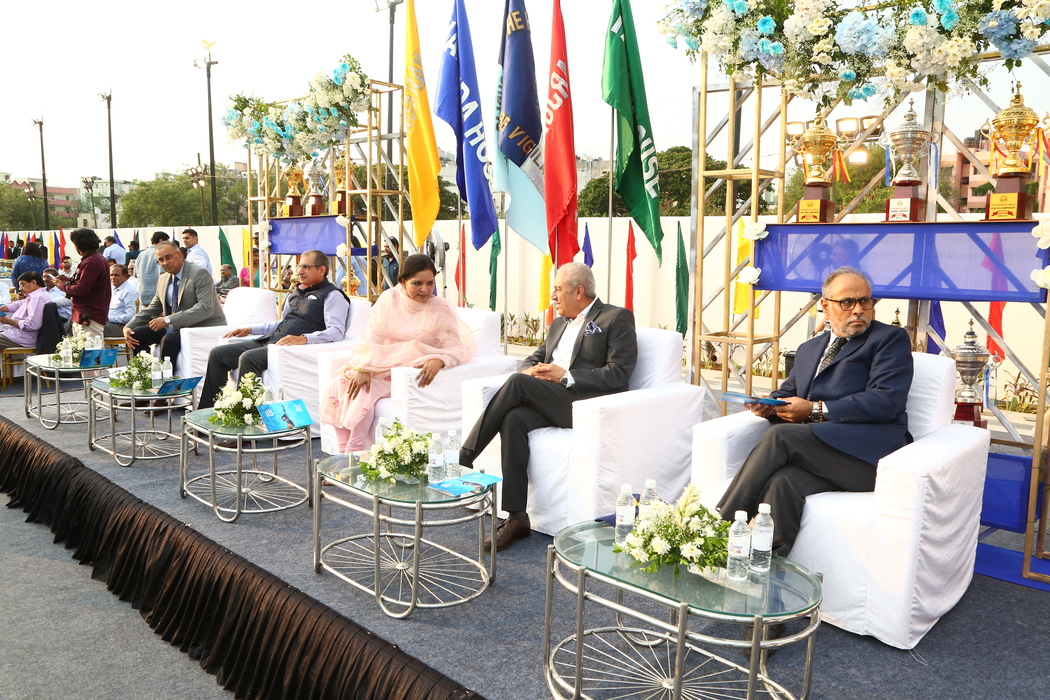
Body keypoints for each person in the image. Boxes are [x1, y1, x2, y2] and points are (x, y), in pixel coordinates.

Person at [716, 266, 913, 557]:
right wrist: (769, 406)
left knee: (781, 437)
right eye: (847, 302)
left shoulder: (888, 339)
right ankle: (764, 564)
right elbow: (788, 392)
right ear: (826, 305)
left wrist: (816, 410)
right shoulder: (810, 348)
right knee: (783, 483)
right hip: (822, 454)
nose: (858, 309)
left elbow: (886, 400)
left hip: (868, 458)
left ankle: (715, 528)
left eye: (865, 301)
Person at [459, 262, 638, 551]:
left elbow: (619, 373)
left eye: (557, 289)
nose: (552, 296)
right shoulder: (558, 324)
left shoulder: (615, 317)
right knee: (514, 418)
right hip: (549, 398)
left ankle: (465, 457)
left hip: (585, 405)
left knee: (517, 384)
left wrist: (565, 376)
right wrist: (532, 371)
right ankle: (517, 518)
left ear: (578, 291)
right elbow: (534, 358)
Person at [320, 254, 477, 452]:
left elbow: (455, 346)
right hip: (382, 361)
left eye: (429, 283)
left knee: (365, 390)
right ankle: (342, 452)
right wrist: (364, 367)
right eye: (417, 283)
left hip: (410, 367)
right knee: (338, 383)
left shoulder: (440, 308)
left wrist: (440, 359)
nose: (425, 289)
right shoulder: (390, 299)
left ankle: (354, 450)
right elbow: (373, 335)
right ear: (403, 281)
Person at [197, 250, 351, 410]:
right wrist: (250, 329)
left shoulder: (332, 295)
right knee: (218, 354)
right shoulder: (296, 293)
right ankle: (207, 411)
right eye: (299, 266)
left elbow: (336, 331)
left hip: (289, 348)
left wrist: (304, 338)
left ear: (321, 270)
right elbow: (281, 323)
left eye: (306, 267)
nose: (299, 271)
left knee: (248, 358)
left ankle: (245, 416)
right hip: (271, 339)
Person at [123, 241, 226, 366]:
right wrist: (128, 327)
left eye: (168, 257)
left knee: (169, 339)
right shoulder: (163, 278)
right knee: (137, 334)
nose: (165, 263)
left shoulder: (199, 273)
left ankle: (166, 377)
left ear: (180, 254)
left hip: (201, 326)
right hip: (176, 326)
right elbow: (153, 308)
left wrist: (167, 320)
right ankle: (144, 372)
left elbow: (205, 308)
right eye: (160, 260)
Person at [56, 228, 111, 338]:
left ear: (78, 244)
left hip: (88, 315)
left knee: (91, 347)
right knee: (85, 346)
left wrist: (60, 285)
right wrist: (68, 281)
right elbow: (88, 284)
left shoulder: (91, 262)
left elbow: (81, 290)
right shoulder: (95, 259)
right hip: (87, 314)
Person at [0, 272, 51, 349]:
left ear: (33, 282)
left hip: (21, 337)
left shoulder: (37, 298)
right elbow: (18, 304)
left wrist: (9, 321)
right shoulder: (35, 295)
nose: (20, 288)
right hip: (17, 334)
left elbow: (32, 325)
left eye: (22, 284)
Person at [134, 231, 169, 307]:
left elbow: (135, 274)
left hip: (143, 295)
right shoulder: (160, 254)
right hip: (158, 297)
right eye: (167, 241)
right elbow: (163, 275)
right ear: (161, 240)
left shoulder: (141, 254)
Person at [103, 265, 139, 338]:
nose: (113, 277)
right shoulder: (112, 289)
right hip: (109, 323)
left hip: (122, 327)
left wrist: (108, 318)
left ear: (125, 276)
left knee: (93, 327)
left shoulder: (129, 291)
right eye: (111, 275)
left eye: (116, 275)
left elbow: (130, 317)